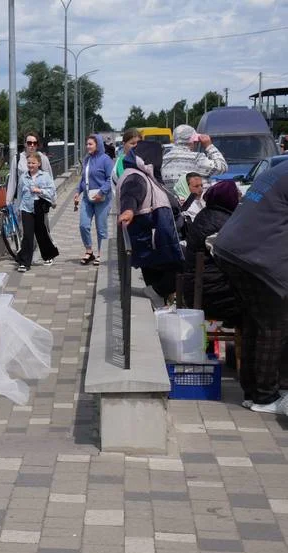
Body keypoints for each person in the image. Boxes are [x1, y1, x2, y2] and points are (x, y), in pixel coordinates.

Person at [213, 161, 288, 414]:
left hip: (232, 250)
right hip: (257, 258)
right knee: (274, 325)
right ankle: (266, 396)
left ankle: (252, 392)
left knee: (255, 323)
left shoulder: (279, 169)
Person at [117, 140, 184, 308]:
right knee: (185, 264)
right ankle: (158, 293)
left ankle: (159, 304)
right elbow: (130, 195)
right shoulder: (136, 177)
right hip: (151, 241)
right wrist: (128, 210)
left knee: (155, 281)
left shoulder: (141, 174)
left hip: (149, 239)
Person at [181, 180, 241, 326]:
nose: (239, 200)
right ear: (229, 198)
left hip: (199, 289)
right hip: (211, 296)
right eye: (237, 196)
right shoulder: (222, 222)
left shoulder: (206, 215)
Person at [74, 133, 114, 265]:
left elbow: (110, 179)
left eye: (90, 144)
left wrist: (102, 192)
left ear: (98, 145)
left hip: (102, 199)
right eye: (87, 144)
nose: (88, 146)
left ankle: (101, 253)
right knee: (83, 225)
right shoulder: (87, 159)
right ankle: (89, 251)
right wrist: (77, 191)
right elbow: (83, 179)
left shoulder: (106, 159)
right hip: (87, 198)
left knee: (101, 228)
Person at [15, 153, 58, 272]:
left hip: (39, 206)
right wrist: (18, 208)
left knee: (41, 233)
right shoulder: (23, 177)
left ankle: (49, 255)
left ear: (39, 163)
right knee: (27, 235)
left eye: (33, 163)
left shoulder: (45, 176)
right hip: (26, 208)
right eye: (29, 163)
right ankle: (24, 262)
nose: (30, 165)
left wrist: (40, 190)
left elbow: (52, 191)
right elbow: (19, 193)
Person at [161, 124, 227, 190]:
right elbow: (222, 167)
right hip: (195, 196)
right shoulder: (196, 158)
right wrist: (209, 146)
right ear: (192, 141)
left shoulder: (164, 159)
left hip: (171, 196)